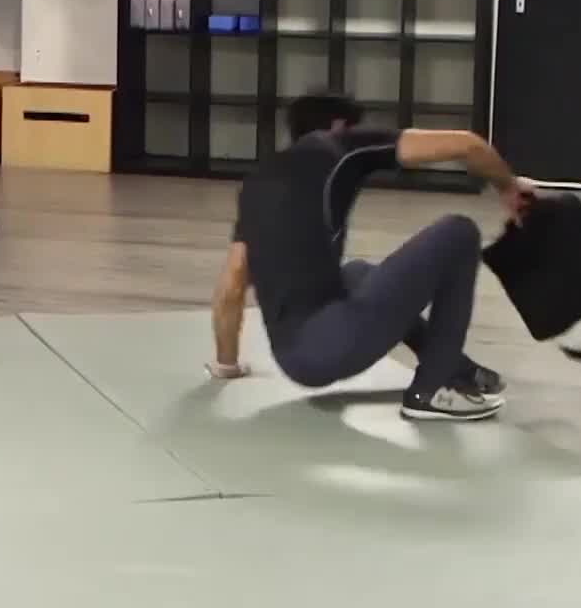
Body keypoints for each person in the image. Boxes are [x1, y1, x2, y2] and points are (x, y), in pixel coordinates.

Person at [205, 91, 536, 421]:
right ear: (338, 125)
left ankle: (457, 368)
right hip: (330, 347)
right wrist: (508, 186)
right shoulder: (339, 147)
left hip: (293, 358)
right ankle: (431, 390)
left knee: (357, 272)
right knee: (460, 233)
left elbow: (232, 284)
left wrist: (227, 364)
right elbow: (468, 146)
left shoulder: (258, 182)